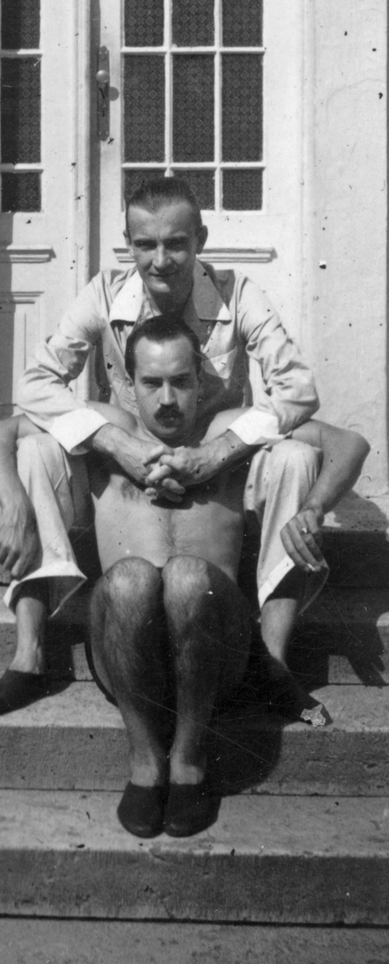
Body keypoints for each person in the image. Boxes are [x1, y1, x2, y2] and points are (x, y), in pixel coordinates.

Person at [0, 174, 369, 719]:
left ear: (200, 240)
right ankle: (30, 654)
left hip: (222, 471)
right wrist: (111, 443)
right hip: (129, 475)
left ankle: (272, 664)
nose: (161, 260)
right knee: (37, 451)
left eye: (176, 243)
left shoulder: (239, 295)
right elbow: (35, 385)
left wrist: (219, 450)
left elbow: (298, 391)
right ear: (129, 245)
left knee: (296, 456)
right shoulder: (105, 294)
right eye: (145, 244)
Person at [88, 314, 365, 838]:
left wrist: (312, 509)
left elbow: (349, 444)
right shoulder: (107, 434)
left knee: (190, 577)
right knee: (129, 579)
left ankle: (189, 759)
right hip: (125, 651)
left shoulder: (226, 434)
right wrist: (14, 505)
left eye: (181, 381)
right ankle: (145, 761)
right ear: (128, 385)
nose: (167, 399)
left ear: (201, 380)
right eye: (151, 383)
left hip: (215, 652)